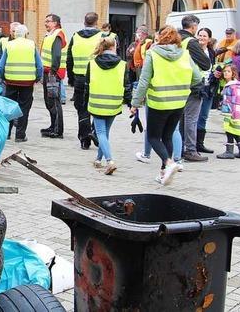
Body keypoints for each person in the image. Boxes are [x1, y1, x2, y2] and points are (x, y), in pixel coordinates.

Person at [131, 26, 202, 186]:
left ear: (161, 38)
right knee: (167, 136)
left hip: (159, 102)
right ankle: (164, 172)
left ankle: (168, 163)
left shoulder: (153, 54)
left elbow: (143, 81)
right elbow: (197, 77)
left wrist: (135, 103)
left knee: (153, 137)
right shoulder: (185, 54)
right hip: (179, 102)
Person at [85, 37, 130, 175]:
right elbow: (126, 85)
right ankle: (98, 160)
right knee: (105, 133)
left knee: (101, 134)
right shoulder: (123, 64)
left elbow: (87, 85)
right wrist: (130, 103)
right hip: (114, 104)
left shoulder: (92, 64)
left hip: (97, 103)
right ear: (113, 47)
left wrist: (84, 102)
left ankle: (110, 161)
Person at [0, 24, 43, 142]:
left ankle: (7, 133)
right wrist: (37, 78)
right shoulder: (31, 44)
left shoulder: (9, 45)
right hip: (27, 83)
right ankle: (20, 135)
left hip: (11, 81)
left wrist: (3, 78)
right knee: (24, 108)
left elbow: (1, 66)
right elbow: (39, 65)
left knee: (9, 107)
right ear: (26, 34)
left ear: (14, 34)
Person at [178, 15, 212, 162]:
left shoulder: (176, 39)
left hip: (178, 83)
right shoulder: (191, 42)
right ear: (193, 27)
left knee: (181, 119)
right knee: (191, 119)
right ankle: (191, 150)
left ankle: (178, 148)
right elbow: (206, 64)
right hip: (193, 84)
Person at [67, 12, 102, 149]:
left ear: (84, 21)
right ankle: (94, 132)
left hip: (79, 78)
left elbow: (69, 59)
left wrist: (70, 78)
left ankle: (84, 139)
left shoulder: (75, 36)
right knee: (97, 108)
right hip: (96, 78)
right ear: (96, 22)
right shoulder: (101, 37)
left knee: (82, 108)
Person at [40, 14, 67, 139]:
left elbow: (56, 55)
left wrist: (53, 71)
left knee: (54, 101)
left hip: (53, 73)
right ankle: (53, 126)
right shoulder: (51, 35)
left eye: (48, 21)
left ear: (55, 23)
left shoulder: (58, 35)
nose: (46, 23)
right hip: (49, 72)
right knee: (49, 101)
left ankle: (57, 130)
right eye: (45, 21)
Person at [216, 65, 240, 159]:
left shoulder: (233, 87)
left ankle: (229, 151)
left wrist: (236, 115)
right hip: (229, 112)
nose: (226, 73)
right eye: (225, 71)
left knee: (230, 131)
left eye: (228, 71)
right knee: (233, 131)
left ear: (233, 74)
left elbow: (238, 101)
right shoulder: (228, 85)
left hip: (232, 113)